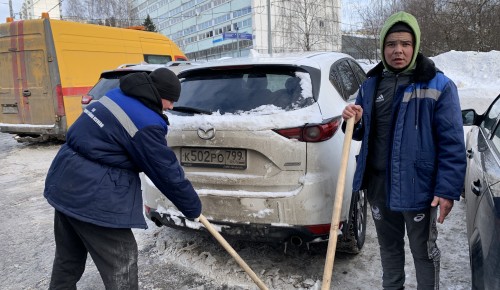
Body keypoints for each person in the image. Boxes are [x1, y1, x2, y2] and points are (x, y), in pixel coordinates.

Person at [44, 68, 202, 289]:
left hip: (64, 182)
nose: (171, 106)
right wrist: (192, 207)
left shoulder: (116, 95)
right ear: (159, 94)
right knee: (122, 264)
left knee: (68, 259)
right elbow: (166, 172)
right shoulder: (145, 122)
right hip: (95, 194)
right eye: (170, 100)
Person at [341, 11, 466, 289]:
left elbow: (452, 143)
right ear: (383, 48)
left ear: (415, 46)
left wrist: (447, 190)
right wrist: (353, 120)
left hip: (418, 187)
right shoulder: (370, 85)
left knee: (423, 253)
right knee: (389, 251)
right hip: (378, 186)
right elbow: (360, 131)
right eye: (391, 44)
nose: (398, 50)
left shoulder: (439, 85)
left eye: (405, 44)